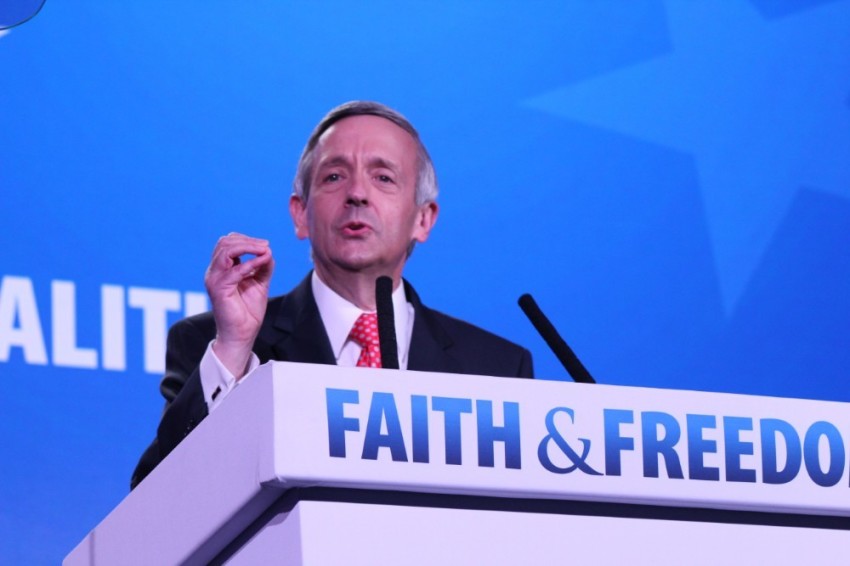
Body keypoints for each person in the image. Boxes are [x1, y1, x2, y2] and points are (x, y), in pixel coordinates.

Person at [131, 101, 533, 489]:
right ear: (300, 213)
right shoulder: (215, 344)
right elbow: (155, 504)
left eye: (383, 178)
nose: (357, 193)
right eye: (334, 177)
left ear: (423, 219)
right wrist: (234, 348)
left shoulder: (495, 367)